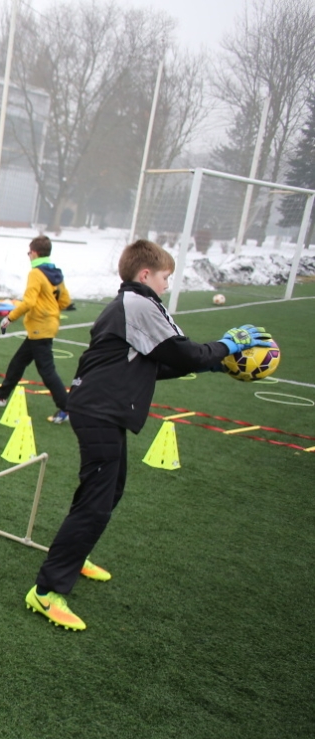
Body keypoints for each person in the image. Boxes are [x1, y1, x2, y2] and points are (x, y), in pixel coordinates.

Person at [26, 240, 273, 632]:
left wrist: (213, 365)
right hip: (98, 411)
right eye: (165, 277)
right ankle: (46, 591)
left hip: (101, 408)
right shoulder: (138, 304)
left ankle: (75, 556)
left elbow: (151, 366)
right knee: (96, 499)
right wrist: (227, 346)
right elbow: (185, 353)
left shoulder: (134, 306)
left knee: (108, 490)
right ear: (145, 275)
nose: (167, 284)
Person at [0, 235, 73, 424]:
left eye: (29, 253)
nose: (29, 256)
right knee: (18, 362)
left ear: (34, 252)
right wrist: (50, 309)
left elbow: (29, 302)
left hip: (39, 327)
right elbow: (65, 300)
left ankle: (66, 408)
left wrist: (9, 318)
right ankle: (1, 396)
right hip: (46, 325)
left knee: (47, 370)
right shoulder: (55, 273)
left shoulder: (36, 273)